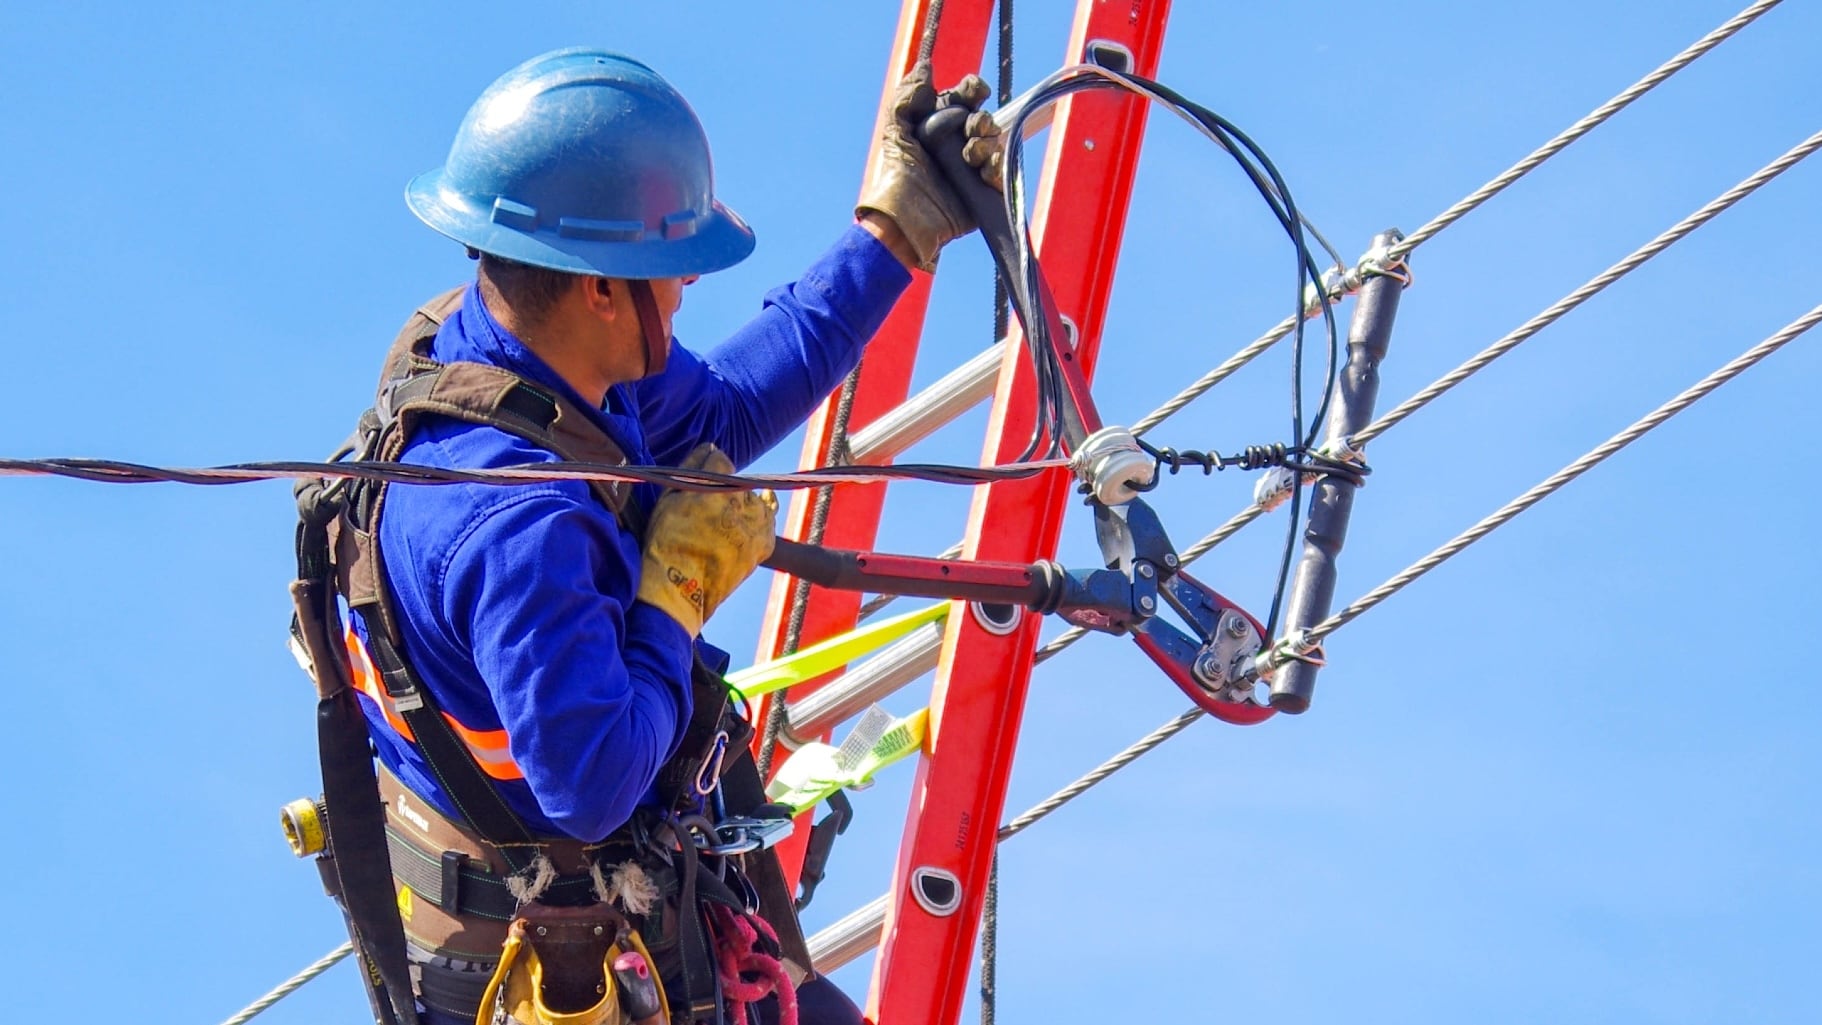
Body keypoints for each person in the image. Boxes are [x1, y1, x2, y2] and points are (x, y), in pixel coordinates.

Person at [318, 47, 1001, 1025]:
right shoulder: (519, 524)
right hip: (565, 951)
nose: (683, 285)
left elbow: (719, 414)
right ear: (599, 287)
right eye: (666, 267)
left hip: (607, 897)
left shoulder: (490, 351)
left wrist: (893, 236)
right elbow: (593, 785)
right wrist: (672, 595)